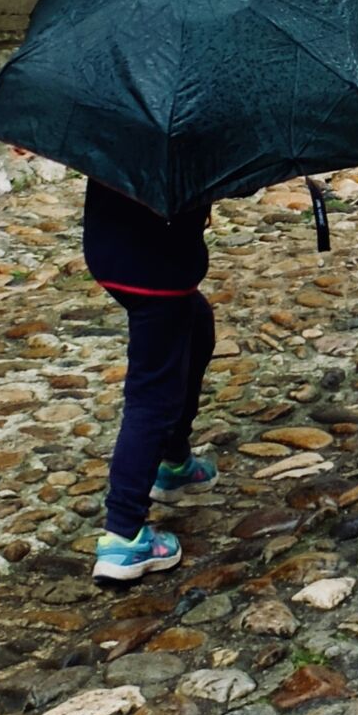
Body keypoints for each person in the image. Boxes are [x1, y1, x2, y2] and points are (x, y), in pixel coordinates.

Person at [81, 176, 220, 582]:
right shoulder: (191, 121)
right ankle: (123, 536)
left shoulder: (125, 114)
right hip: (156, 268)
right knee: (153, 397)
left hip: (112, 251)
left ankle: (174, 460)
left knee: (197, 326)